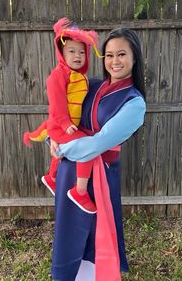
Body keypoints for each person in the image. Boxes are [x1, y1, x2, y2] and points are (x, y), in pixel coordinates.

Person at [49, 28, 146, 281]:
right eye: (109, 55)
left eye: (122, 54)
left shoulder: (134, 103)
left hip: (99, 178)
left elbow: (98, 144)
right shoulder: (89, 86)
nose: (115, 61)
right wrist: (52, 136)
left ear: (134, 58)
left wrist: (61, 146)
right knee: (69, 232)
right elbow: (61, 112)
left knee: (94, 234)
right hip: (70, 175)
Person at [24, 17, 102, 213]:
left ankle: (51, 177)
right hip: (60, 125)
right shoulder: (58, 75)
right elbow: (57, 103)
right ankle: (80, 191)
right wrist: (65, 123)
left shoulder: (81, 77)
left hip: (65, 125)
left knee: (81, 141)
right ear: (61, 52)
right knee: (89, 148)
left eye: (82, 52)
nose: (78, 55)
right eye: (72, 51)